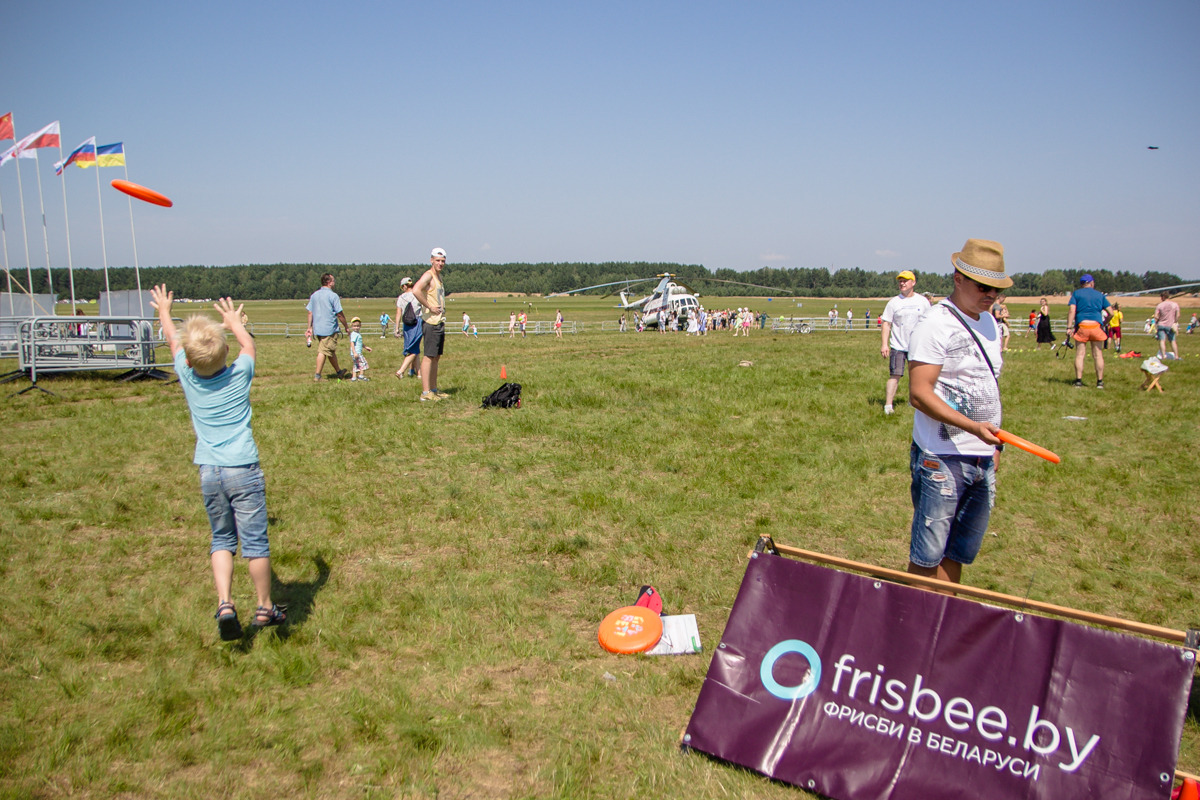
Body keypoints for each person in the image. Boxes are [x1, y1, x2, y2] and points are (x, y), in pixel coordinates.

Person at [149, 284, 284, 640]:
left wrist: (165, 310)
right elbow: (250, 346)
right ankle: (265, 606)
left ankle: (225, 603)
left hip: (209, 471)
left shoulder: (187, 375)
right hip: (244, 469)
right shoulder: (240, 374)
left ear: (190, 361)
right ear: (226, 352)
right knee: (255, 543)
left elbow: (173, 342)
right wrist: (232, 322)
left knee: (221, 538)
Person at [905, 239, 1008, 587]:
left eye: (996, 288)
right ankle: (914, 625)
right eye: (983, 286)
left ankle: (942, 625)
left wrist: (992, 446)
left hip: (982, 458)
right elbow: (919, 393)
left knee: (957, 553)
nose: (990, 294)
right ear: (958, 278)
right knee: (927, 557)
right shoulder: (936, 322)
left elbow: (986, 384)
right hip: (942, 458)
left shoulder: (990, 324)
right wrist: (973, 428)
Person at [880, 270, 932, 416]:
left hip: (918, 346)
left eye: (905, 280)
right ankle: (888, 405)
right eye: (900, 281)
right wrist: (885, 344)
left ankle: (914, 401)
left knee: (916, 376)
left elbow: (929, 322)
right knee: (895, 375)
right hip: (898, 345)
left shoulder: (923, 302)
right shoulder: (894, 303)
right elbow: (886, 324)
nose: (902, 283)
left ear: (913, 283)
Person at [412, 247, 449, 402]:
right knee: (429, 356)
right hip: (431, 322)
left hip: (439, 321)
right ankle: (426, 392)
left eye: (442, 261)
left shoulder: (438, 277)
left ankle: (433, 389)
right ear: (431, 260)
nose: (440, 263)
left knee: (436, 356)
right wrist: (429, 306)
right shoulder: (429, 275)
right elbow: (416, 290)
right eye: (437, 260)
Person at [1067, 274, 1112, 388]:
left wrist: (1069, 327)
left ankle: (1078, 381)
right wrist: (1104, 323)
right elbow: (1111, 313)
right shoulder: (1099, 295)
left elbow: (1072, 310)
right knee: (1097, 355)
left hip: (1082, 325)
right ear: (1092, 283)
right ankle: (1100, 382)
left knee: (1080, 354)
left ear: (1082, 284)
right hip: (1096, 326)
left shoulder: (1076, 294)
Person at [305, 273, 349, 382]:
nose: (334, 283)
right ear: (329, 282)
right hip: (329, 328)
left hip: (318, 329)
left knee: (330, 350)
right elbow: (339, 314)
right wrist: (346, 327)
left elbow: (310, 312)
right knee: (323, 351)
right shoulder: (333, 296)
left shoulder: (314, 295)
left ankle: (339, 372)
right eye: (333, 281)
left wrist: (309, 327)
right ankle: (317, 376)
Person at [394, 276, 422, 380]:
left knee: (414, 349)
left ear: (405, 286)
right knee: (414, 349)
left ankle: (417, 373)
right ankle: (401, 371)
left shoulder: (401, 298)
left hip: (406, 325)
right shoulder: (418, 295)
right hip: (417, 322)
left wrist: (396, 328)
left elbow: (398, 313)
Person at [1153, 292, 1181, 360]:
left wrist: (1157, 321)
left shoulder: (1159, 305)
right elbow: (1178, 315)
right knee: (1172, 341)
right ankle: (1176, 356)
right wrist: (1175, 321)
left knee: (1162, 341)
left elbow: (1156, 316)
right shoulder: (1175, 304)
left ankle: (1163, 356)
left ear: (1162, 297)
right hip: (1170, 325)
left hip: (1161, 324)